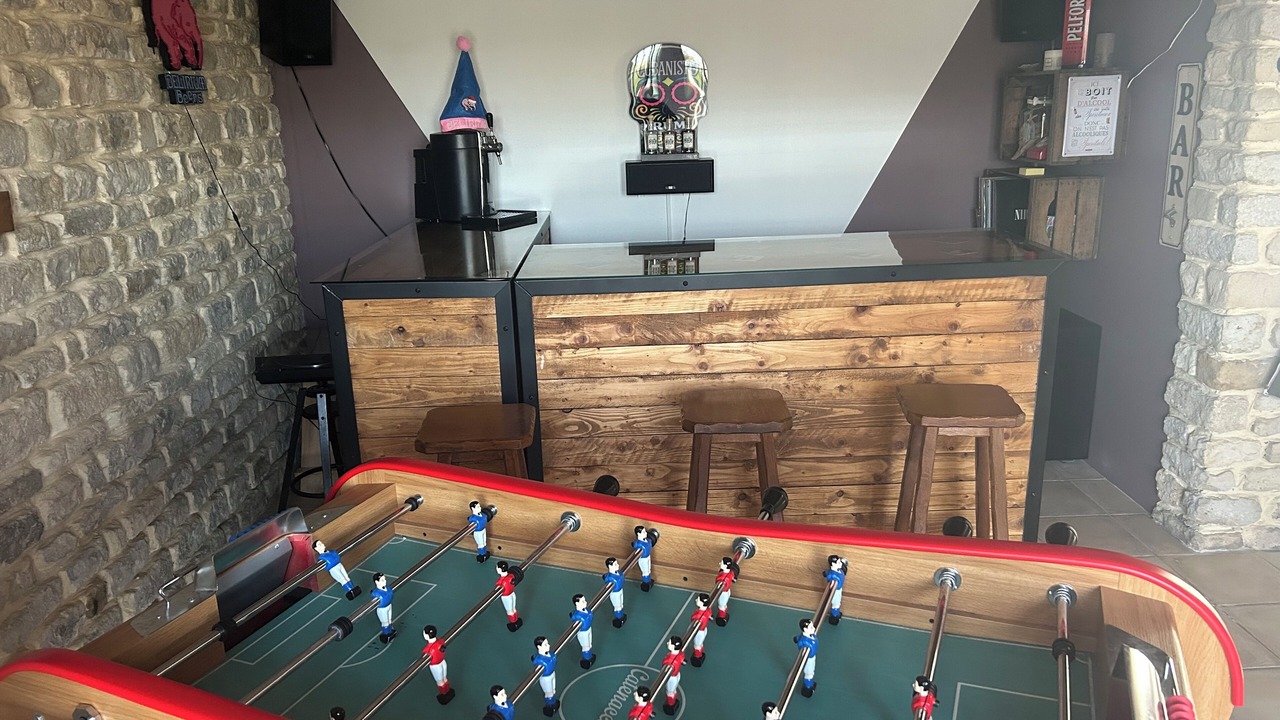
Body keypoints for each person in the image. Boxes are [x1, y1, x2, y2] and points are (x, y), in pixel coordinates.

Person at [421, 624, 454, 704]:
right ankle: (447, 690)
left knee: (440, 681)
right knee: (444, 678)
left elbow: (424, 659)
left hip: (435, 666)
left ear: (427, 636)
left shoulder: (428, 650)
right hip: (443, 662)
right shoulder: (441, 641)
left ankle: (444, 694)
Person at [531, 636, 560, 716]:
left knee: (553, 690)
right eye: (545, 644)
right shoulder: (539, 661)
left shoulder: (550, 653)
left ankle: (553, 702)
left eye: (547, 643)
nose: (548, 646)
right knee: (549, 693)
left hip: (552, 674)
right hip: (546, 678)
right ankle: (550, 707)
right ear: (539, 647)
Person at [570, 593, 596, 669]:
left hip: (588, 629)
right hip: (583, 633)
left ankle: (590, 656)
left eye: (584, 600)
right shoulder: (577, 616)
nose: (585, 602)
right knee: (586, 646)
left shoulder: (586, 610)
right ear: (577, 603)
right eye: (582, 601)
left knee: (589, 644)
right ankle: (587, 660)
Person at [495, 561, 522, 631]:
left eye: (497, 567)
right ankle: (516, 620)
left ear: (500, 569)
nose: (496, 569)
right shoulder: (511, 576)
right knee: (513, 608)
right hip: (512, 594)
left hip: (506, 597)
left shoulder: (501, 582)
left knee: (509, 611)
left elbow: (498, 587)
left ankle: (513, 623)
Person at [794, 618, 818, 697]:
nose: (814, 628)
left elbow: (798, 638)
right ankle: (808, 687)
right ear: (805, 629)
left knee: (811, 672)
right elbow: (800, 644)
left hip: (812, 657)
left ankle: (809, 683)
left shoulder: (810, 635)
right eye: (811, 627)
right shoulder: (805, 642)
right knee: (809, 674)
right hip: (808, 660)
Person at [660, 636, 685, 714]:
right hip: (676, 675)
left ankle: (671, 703)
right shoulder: (680, 655)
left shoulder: (670, 660)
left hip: (671, 678)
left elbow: (664, 662)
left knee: (670, 692)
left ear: (674, 647)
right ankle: (672, 702)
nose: (667, 643)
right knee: (672, 690)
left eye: (670, 643)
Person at [713, 556, 739, 626]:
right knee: (723, 605)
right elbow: (734, 578)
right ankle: (723, 615)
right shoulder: (730, 573)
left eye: (721, 563)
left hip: (723, 593)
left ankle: (722, 616)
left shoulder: (723, 578)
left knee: (721, 606)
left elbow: (719, 585)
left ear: (725, 566)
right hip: (727, 591)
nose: (719, 563)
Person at [632, 526, 659, 591]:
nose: (645, 533)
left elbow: (650, 543)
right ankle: (646, 584)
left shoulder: (647, 540)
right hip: (643, 559)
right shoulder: (637, 544)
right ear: (638, 534)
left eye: (645, 531)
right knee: (645, 572)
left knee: (648, 570)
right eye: (643, 532)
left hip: (647, 557)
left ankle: (648, 581)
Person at [688, 592, 712, 667]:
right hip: (703, 630)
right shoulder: (707, 611)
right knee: (699, 644)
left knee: (697, 645)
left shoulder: (699, 615)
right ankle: (699, 654)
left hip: (699, 632)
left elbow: (693, 619)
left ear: (702, 603)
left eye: (698, 600)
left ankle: (697, 656)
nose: (696, 600)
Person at [370, 572, 395, 643]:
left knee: (389, 620)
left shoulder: (387, 588)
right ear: (377, 582)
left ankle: (390, 631)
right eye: (382, 580)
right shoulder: (376, 593)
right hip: (382, 609)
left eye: (385, 579)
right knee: (385, 623)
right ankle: (386, 634)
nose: (385, 581)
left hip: (389, 606)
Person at [824, 555, 849, 625]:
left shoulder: (837, 570)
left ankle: (836, 612)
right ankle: (834, 617)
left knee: (837, 603)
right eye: (838, 562)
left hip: (839, 589)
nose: (840, 563)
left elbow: (826, 572)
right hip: (835, 592)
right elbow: (831, 584)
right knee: (836, 604)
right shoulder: (832, 576)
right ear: (833, 564)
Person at [603, 556, 627, 627]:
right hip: (615, 593)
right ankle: (619, 618)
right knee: (618, 607)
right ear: (610, 566)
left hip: (620, 590)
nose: (618, 565)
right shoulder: (610, 578)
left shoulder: (618, 573)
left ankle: (621, 615)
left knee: (621, 604)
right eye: (615, 564)